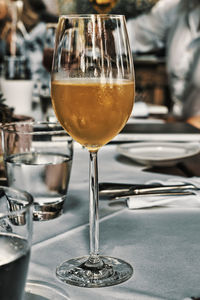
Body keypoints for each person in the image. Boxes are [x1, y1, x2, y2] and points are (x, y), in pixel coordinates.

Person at [126, 0, 200, 120]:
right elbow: (130, 35)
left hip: (188, 131)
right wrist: (96, 38)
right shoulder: (177, 6)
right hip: (180, 128)